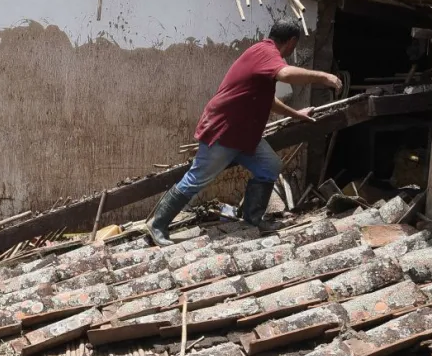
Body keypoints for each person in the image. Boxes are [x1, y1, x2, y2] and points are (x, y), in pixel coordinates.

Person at [147, 20, 343, 245]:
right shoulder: (266, 53)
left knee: (270, 166)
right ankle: (157, 224)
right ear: (292, 42)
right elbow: (287, 74)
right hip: (225, 130)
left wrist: (297, 115)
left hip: (245, 135)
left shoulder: (262, 55)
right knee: (196, 179)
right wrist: (323, 76)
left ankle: (253, 218)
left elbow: (269, 100)